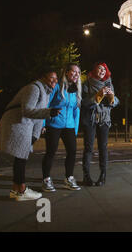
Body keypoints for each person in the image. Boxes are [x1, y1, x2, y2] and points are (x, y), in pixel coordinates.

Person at [0, 69, 60, 201]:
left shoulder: (46, 92)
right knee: (21, 157)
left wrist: (39, 130)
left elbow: (37, 113)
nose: (54, 80)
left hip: (24, 125)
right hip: (18, 123)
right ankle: (21, 190)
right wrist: (49, 112)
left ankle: (15, 189)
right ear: (43, 77)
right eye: (51, 77)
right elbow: (27, 110)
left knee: (21, 157)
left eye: (56, 78)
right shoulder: (34, 88)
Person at [42, 63, 82, 192]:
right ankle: (46, 180)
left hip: (69, 125)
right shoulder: (57, 86)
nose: (76, 74)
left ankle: (69, 178)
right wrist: (43, 124)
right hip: (54, 124)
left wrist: (75, 129)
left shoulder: (76, 89)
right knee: (51, 152)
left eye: (78, 72)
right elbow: (46, 104)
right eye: (74, 71)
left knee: (72, 151)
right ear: (66, 72)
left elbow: (77, 111)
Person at [81, 62, 119, 186]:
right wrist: (99, 95)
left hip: (104, 119)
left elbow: (116, 101)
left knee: (103, 147)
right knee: (88, 148)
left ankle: (103, 175)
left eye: (104, 69)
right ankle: (86, 175)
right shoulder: (87, 83)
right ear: (94, 71)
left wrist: (111, 97)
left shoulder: (109, 83)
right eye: (99, 68)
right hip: (90, 119)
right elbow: (84, 102)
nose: (102, 71)